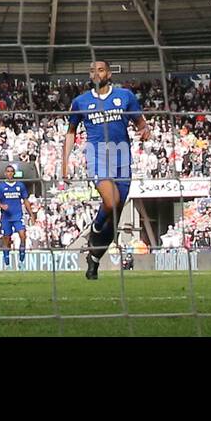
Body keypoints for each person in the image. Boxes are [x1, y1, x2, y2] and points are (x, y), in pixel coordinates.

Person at [62, 60, 149, 280]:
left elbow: (139, 121)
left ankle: (94, 260)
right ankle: (95, 228)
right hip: (97, 157)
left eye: (100, 69)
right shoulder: (81, 101)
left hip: (121, 157)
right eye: (92, 70)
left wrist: (144, 130)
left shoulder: (125, 96)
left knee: (116, 215)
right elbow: (71, 131)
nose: (96, 73)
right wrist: (64, 162)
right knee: (110, 202)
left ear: (109, 73)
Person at [0, 164, 36, 267]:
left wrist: (31, 214)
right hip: (6, 217)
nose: (9, 173)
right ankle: (7, 263)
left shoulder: (20, 185)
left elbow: (25, 200)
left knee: (23, 236)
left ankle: (21, 260)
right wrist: (1, 205)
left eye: (11, 171)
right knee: (6, 239)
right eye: (8, 171)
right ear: (5, 173)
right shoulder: (1, 186)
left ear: (14, 173)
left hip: (17, 216)